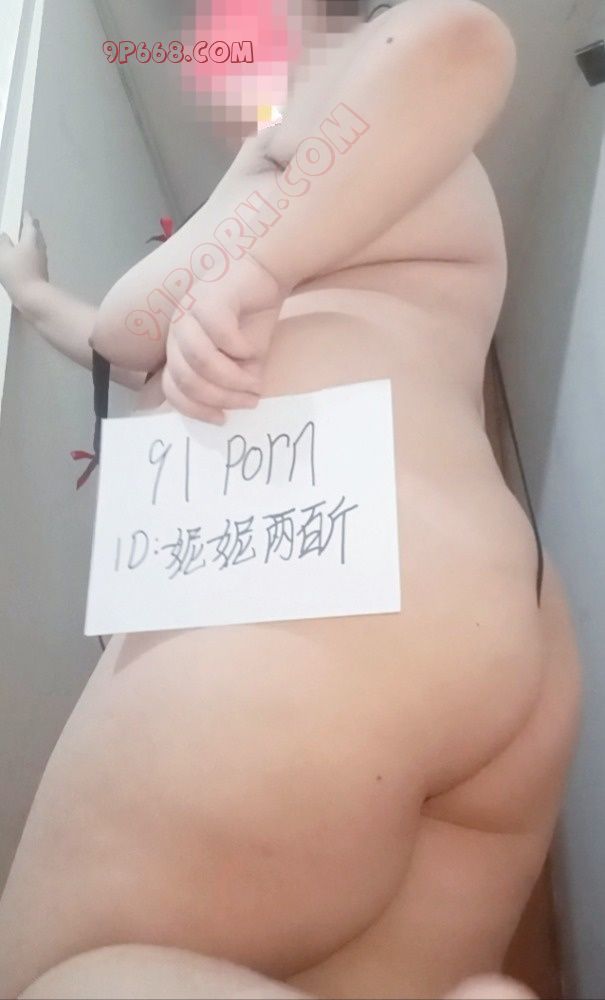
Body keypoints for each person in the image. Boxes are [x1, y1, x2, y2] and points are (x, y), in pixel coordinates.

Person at [0, 1, 580, 997]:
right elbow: (125, 340)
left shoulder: (354, 89)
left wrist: (257, 268)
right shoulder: (323, 170)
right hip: (471, 615)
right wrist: (34, 293)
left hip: (318, 581)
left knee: (58, 977)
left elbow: (462, 40)